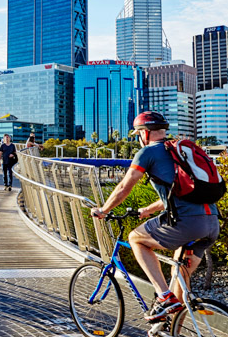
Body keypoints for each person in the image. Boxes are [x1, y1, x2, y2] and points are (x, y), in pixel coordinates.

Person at [90, 111, 220, 324]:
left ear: (144, 133)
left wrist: (103, 210)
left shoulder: (148, 152)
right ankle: (172, 334)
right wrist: (149, 210)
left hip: (186, 223)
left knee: (136, 238)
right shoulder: (179, 152)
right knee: (179, 273)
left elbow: (124, 186)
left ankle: (163, 295)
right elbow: (181, 191)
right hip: (211, 223)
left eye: (138, 134)